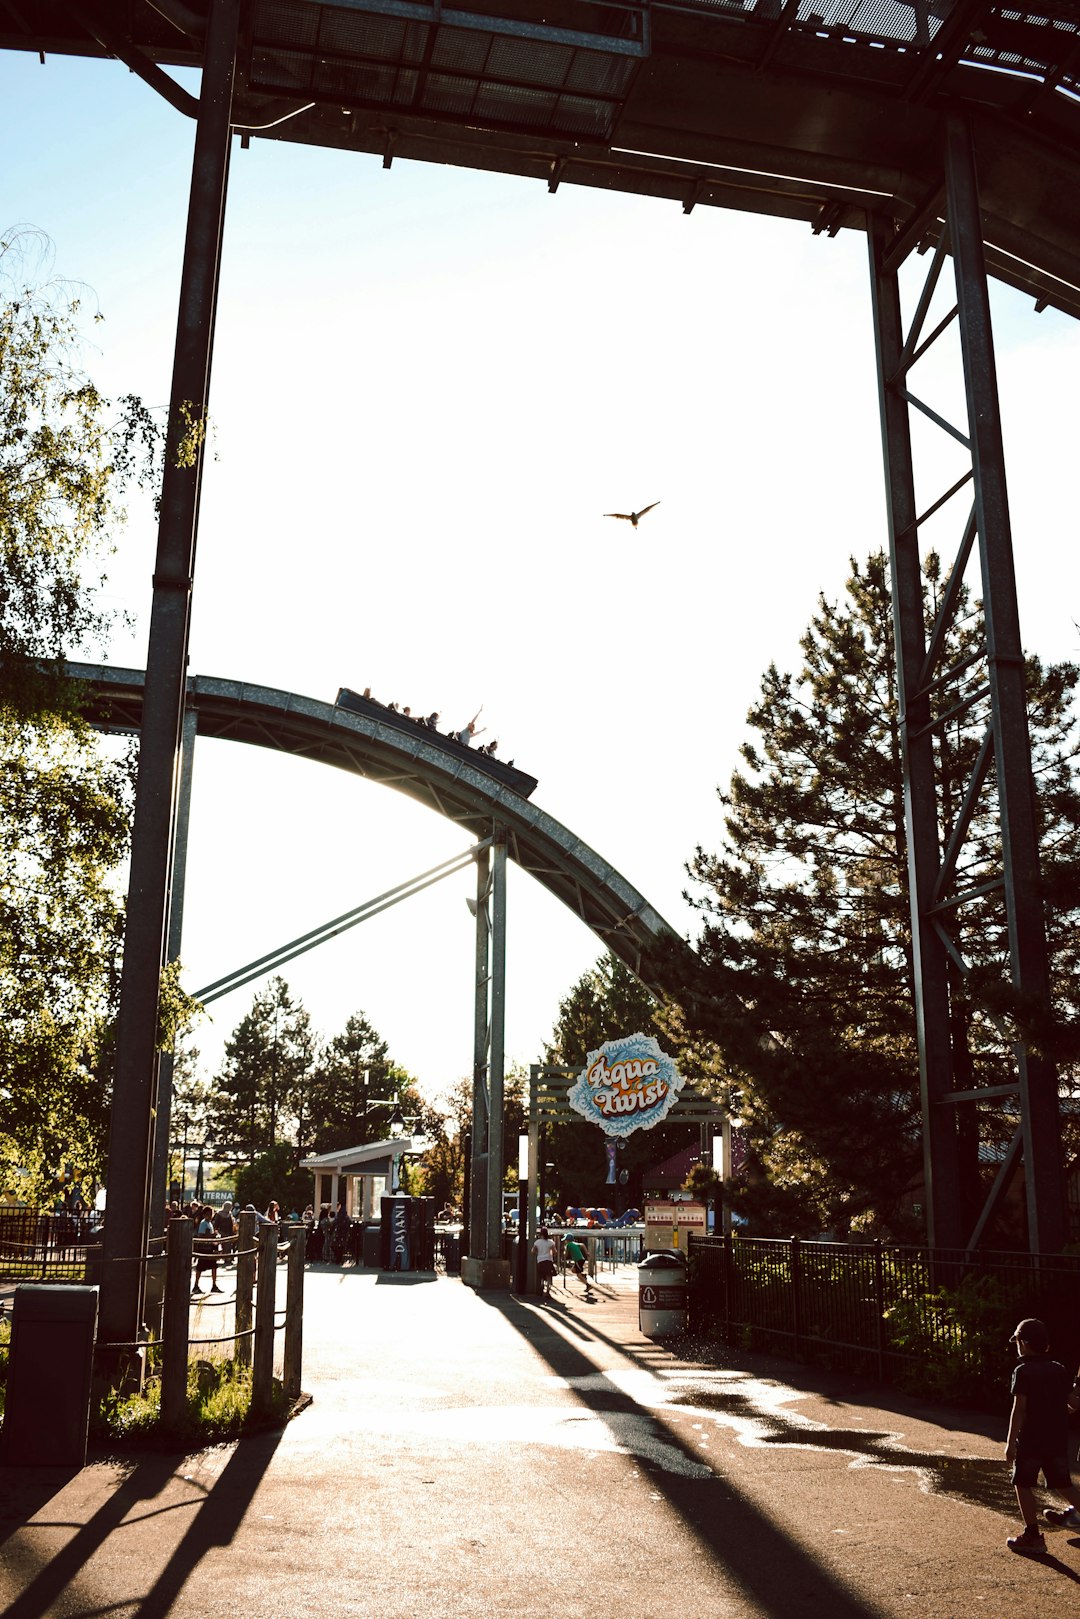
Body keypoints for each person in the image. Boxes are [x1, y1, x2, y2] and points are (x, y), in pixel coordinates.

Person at [1004, 1316, 1080, 1555]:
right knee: (1063, 1484)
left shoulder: (1022, 1371)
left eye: (1017, 1341)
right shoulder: (1058, 1369)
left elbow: (1020, 1410)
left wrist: (1010, 1443)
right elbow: (1072, 1402)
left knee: (1023, 1483)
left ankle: (1033, 1535)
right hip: (1056, 1439)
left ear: (1024, 1343)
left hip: (1031, 1440)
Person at [192, 1204, 222, 1294]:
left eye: (211, 1214)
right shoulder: (203, 1223)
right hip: (204, 1249)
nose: (210, 1216)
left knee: (214, 1267)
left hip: (210, 1248)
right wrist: (212, 1235)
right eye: (208, 1214)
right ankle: (196, 1285)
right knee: (200, 1268)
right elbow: (201, 1235)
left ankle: (214, 1285)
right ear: (204, 1214)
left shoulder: (209, 1223)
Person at [533, 1226, 556, 1298]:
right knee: (549, 1276)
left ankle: (541, 1286)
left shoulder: (537, 1242)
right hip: (549, 1260)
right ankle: (548, 1291)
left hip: (540, 1260)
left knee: (542, 1276)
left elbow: (533, 1251)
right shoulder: (550, 1242)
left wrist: (538, 1254)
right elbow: (555, 1251)